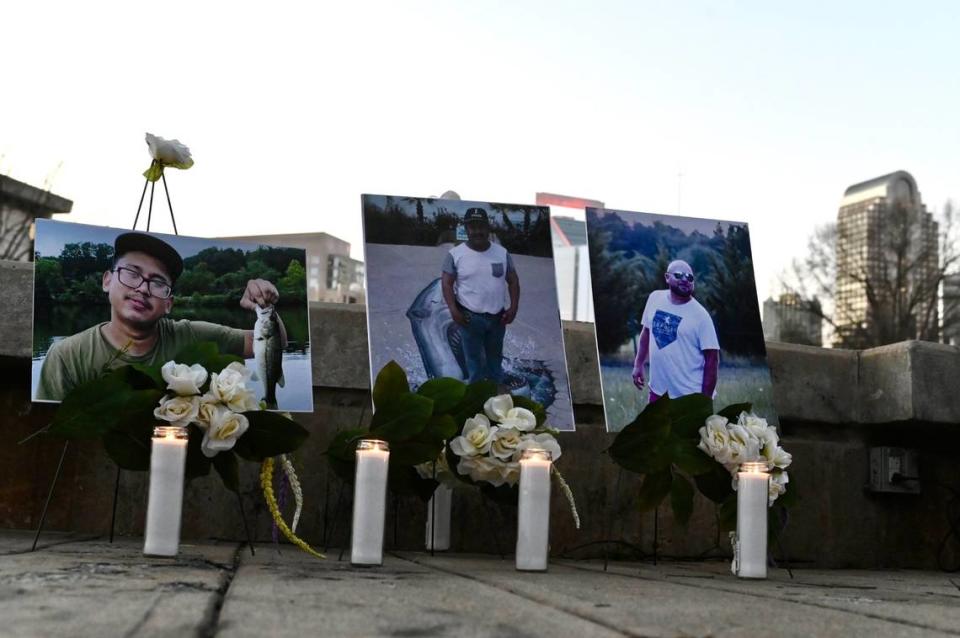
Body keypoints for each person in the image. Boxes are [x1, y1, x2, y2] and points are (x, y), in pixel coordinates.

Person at [36, 232, 284, 401]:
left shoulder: (190, 335)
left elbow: (274, 342)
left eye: (157, 283)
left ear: (168, 303)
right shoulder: (66, 356)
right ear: (107, 281)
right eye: (132, 273)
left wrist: (264, 306)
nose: (142, 288)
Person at [441, 207, 520, 384]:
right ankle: (476, 399)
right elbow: (446, 283)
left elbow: (513, 281)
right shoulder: (455, 255)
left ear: (488, 227)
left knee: (495, 360)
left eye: (481, 226)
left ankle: (495, 398)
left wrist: (513, 308)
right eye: (473, 227)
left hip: (498, 319)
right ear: (466, 229)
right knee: (474, 362)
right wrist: (453, 310)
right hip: (469, 319)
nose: (477, 231)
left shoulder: (502, 253)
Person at [632, 259, 719, 403]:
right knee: (653, 426)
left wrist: (704, 401)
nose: (685, 279)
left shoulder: (701, 316)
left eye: (689, 277)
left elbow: (712, 359)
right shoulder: (654, 298)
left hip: (688, 396)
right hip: (658, 392)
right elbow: (646, 333)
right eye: (679, 275)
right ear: (667, 277)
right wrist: (638, 364)